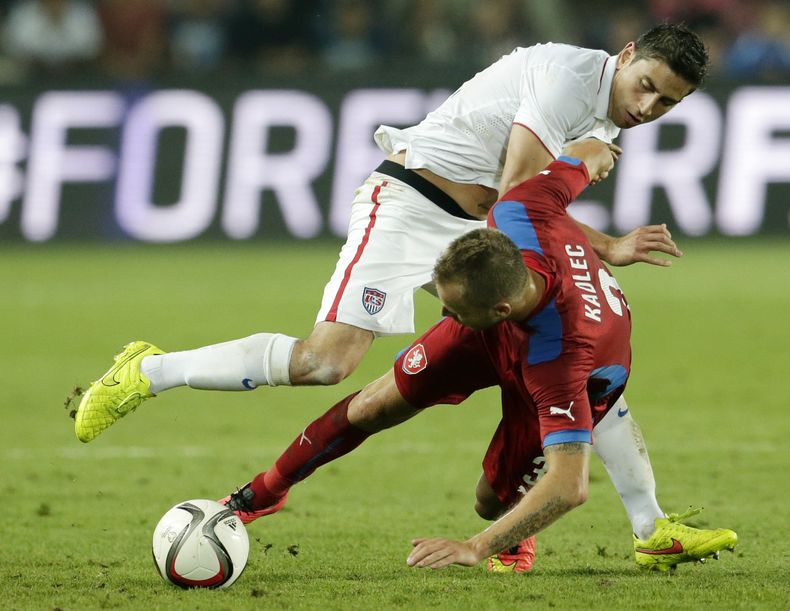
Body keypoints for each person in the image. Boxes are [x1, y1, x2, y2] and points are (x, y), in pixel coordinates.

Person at [72, 24, 708, 571]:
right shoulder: (570, 82)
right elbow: (519, 192)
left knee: (583, 358)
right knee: (325, 363)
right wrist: (603, 236)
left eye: (666, 102)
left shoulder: (602, 111)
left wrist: (608, 246)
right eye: (646, 84)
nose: (648, 105)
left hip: (477, 229)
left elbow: (522, 213)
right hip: (411, 207)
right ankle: (149, 371)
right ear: (625, 55)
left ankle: (649, 527)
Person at [218, 140, 738, 573]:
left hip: (582, 373)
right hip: (499, 332)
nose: (442, 313)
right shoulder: (516, 209)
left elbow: (569, 484)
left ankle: (521, 539)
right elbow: (586, 155)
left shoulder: (560, 362)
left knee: (491, 501)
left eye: (452, 309)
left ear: (500, 307)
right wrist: (600, 153)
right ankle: (262, 494)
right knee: (374, 404)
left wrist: (476, 545)